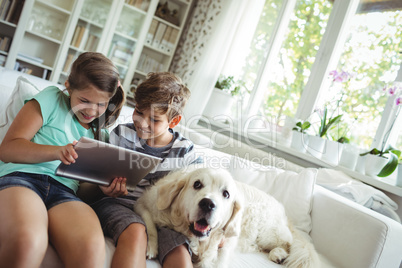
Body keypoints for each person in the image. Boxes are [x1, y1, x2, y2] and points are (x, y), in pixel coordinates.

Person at [0, 52, 127, 268]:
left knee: (90, 253)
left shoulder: (101, 136)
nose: (91, 111)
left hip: (65, 193)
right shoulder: (52, 98)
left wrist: (103, 188)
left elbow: (83, 188)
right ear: (68, 87)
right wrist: (57, 151)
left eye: (101, 105)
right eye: (84, 100)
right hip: (23, 180)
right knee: (27, 241)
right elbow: (8, 148)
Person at [92, 72, 202, 268]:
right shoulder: (122, 135)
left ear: (174, 122)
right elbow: (100, 174)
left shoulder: (185, 152)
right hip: (120, 204)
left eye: (154, 119)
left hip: (163, 216)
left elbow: (202, 188)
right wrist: (104, 187)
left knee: (179, 249)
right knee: (135, 231)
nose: (142, 122)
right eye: (139, 111)